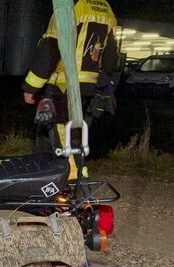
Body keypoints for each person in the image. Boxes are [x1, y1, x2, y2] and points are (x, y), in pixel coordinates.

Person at [22, 0, 118, 180]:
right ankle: (48, 181)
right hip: (89, 86)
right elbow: (111, 54)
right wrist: (104, 83)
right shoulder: (106, 8)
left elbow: (52, 48)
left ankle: (72, 181)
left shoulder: (67, 6)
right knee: (74, 135)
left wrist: (31, 86)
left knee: (61, 135)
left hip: (62, 84)